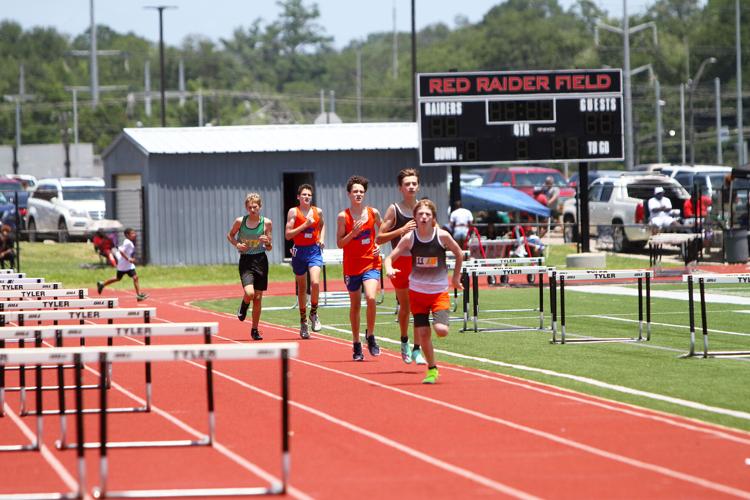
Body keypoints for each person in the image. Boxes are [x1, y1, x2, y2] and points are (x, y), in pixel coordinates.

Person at [385, 199, 464, 384]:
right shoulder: (410, 238)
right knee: (423, 334)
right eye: (420, 214)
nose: (423, 217)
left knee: (441, 330)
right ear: (415, 217)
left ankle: (440, 324)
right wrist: (389, 268)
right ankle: (432, 369)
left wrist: (455, 278)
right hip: (417, 294)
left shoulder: (442, 236)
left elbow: (459, 253)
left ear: (433, 218)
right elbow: (389, 257)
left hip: (438, 293)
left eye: (427, 214)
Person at [376, 168, 426, 365]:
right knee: (406, 307)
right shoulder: (394, 209)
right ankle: (405, 341)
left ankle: (417, 349)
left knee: (419, 307)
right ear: (400, 188)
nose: (411, 186)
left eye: (414, 183)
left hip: (418, 263)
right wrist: (402, 230)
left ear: (418, 186)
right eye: (407, 184)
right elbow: (379, 237)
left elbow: (434, 231)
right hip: (399, 263)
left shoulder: (424, 208)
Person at [336, 175, 382, 361]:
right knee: (355, 305)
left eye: (361, 191)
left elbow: (385, 230)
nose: (358, 194)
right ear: (349, 194)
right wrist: (353, 233)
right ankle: (356, 343)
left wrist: (379, 243)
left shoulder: (373, 213)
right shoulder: (343, 216)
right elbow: (339, 243)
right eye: (355, 191)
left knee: (371, 297)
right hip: (351, 266)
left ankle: (370, 335)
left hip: (371, 262)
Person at [226, 193, 273, 341]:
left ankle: (254, 329)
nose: (253, 209)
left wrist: (267, 242)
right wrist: (237, 244)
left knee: (258, 298)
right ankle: (243, 305)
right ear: (246, 207)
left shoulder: (266, 223)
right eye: (250, 207)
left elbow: (269, 247)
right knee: (250, 293)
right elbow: (230, 235)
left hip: (260, 260)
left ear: (260, 207)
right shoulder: (240, 221)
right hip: (246, 260)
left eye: (255, 207)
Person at [285, 184, 325, 339]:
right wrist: (304, 225)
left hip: (314, 251)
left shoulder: (317, 211)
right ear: (298, 197)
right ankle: (303, 321)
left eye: (309, 195)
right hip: (299, 252)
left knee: (315, 283)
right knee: (302, 287)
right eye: (304, 195)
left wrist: (321, 238)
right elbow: (288, 235)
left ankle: (313, 313)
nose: (307, 197)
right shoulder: (293, 212)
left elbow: (322, 225)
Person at [96, 228, 148, 301]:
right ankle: (102, 284)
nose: (134, 235)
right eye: (132, 233)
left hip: (128, 265)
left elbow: (126, 251)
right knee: (119, 278)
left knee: (134, 278)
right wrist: (128, 259)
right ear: (127, 235)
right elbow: (121, 252)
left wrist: (132, 258)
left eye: (134, 233)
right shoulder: (127, 242)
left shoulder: (130, 242)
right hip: (123, 265)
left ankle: (139, 295)